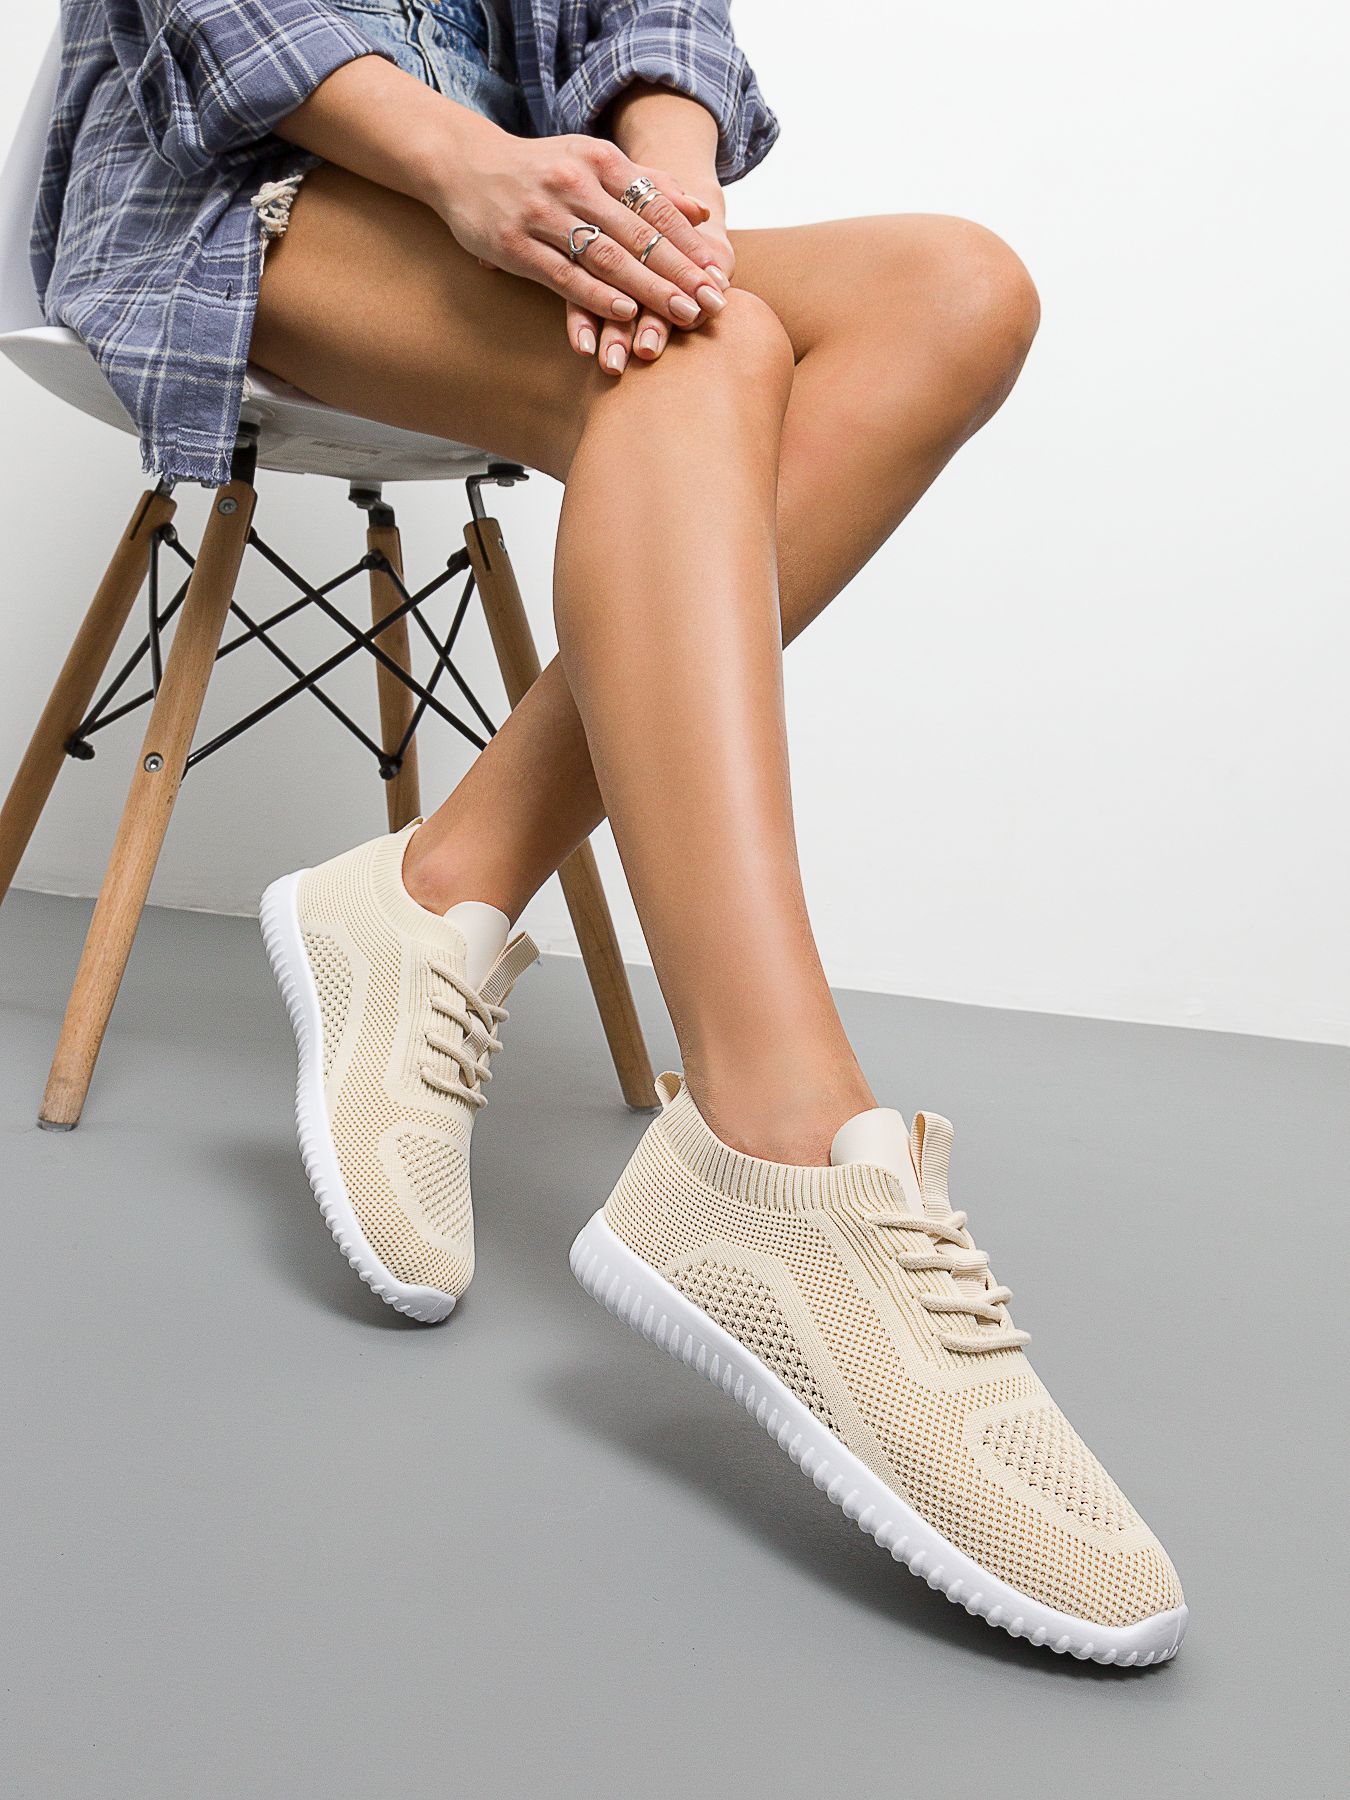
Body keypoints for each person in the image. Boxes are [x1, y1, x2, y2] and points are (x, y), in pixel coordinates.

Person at [37, 0, 1185, 1662]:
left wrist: (664, 182)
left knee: (953, 291)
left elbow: (653, 22)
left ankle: (442, 883)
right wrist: (463, 164)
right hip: (239, 206)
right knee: (693, 359)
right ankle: (777, 1143)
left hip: (534, 204)